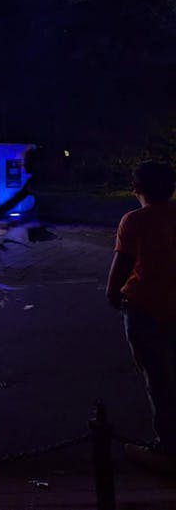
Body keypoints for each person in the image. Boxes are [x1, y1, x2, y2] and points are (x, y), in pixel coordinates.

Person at [105, 161, 176, 472]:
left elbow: (121, 268)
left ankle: (168, 446)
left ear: (137, 189)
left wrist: (113, 296)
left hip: (145, 308)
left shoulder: (133, 221)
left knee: (158, 379)